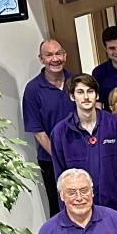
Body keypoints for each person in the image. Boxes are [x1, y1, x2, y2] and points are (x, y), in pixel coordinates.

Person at [50, 74, 117, 217]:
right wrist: (67, 214)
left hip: (116, 211)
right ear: (72, 96)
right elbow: (61, 180)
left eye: (90, 91)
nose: (86, 97)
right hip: (81, 213)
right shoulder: (60, 133)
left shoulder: (114, 125)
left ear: (97, 95)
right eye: (80, 92)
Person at [23, 39, 75, 216]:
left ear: (65, 55)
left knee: (87, 202)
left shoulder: (76, 81)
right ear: (41, 59)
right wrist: (60, 157)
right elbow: (38, 132)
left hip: (82, 155)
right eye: (49, 55)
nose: (55, 59)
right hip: (51, 161)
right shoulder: (32, 89)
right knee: (60, 208)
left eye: (58, 53)